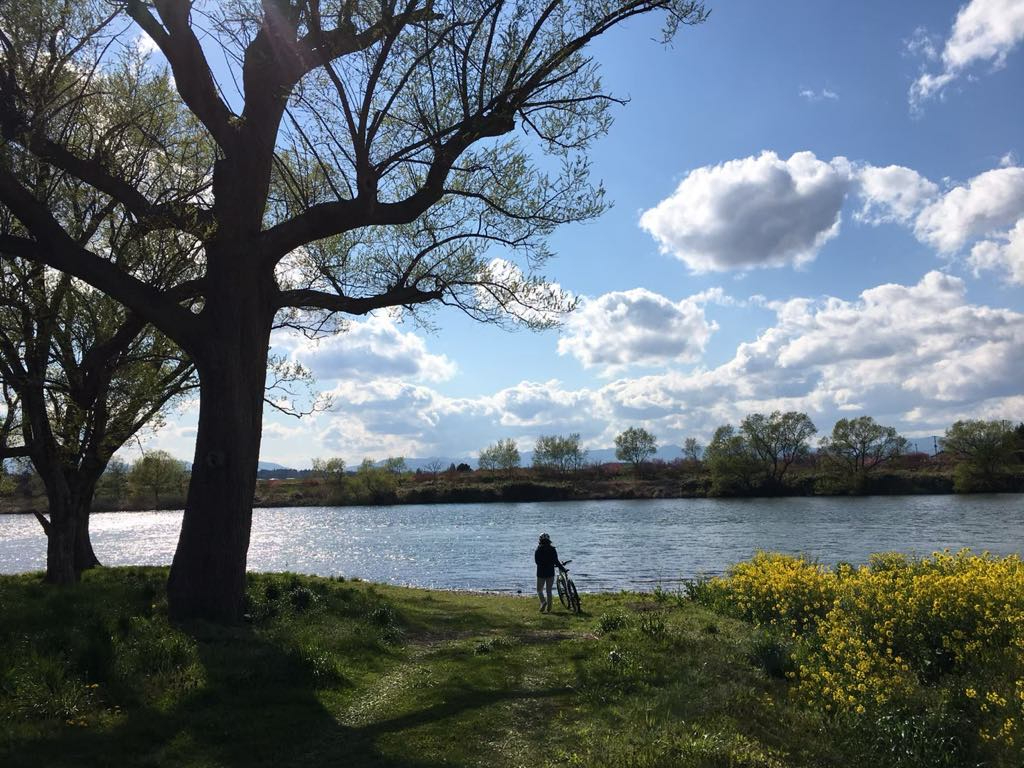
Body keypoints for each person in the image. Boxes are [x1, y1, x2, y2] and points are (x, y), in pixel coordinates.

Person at [534, 532, 560, 613]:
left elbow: (537, 562)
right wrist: (562, 568)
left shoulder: (538, 549)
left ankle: (543, 602)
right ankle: (549, 608)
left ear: (540, 540)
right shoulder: (552, 549)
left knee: (539, 590)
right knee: (549, 590)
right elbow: (556, 561)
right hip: (550, 572)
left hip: (541, 573)